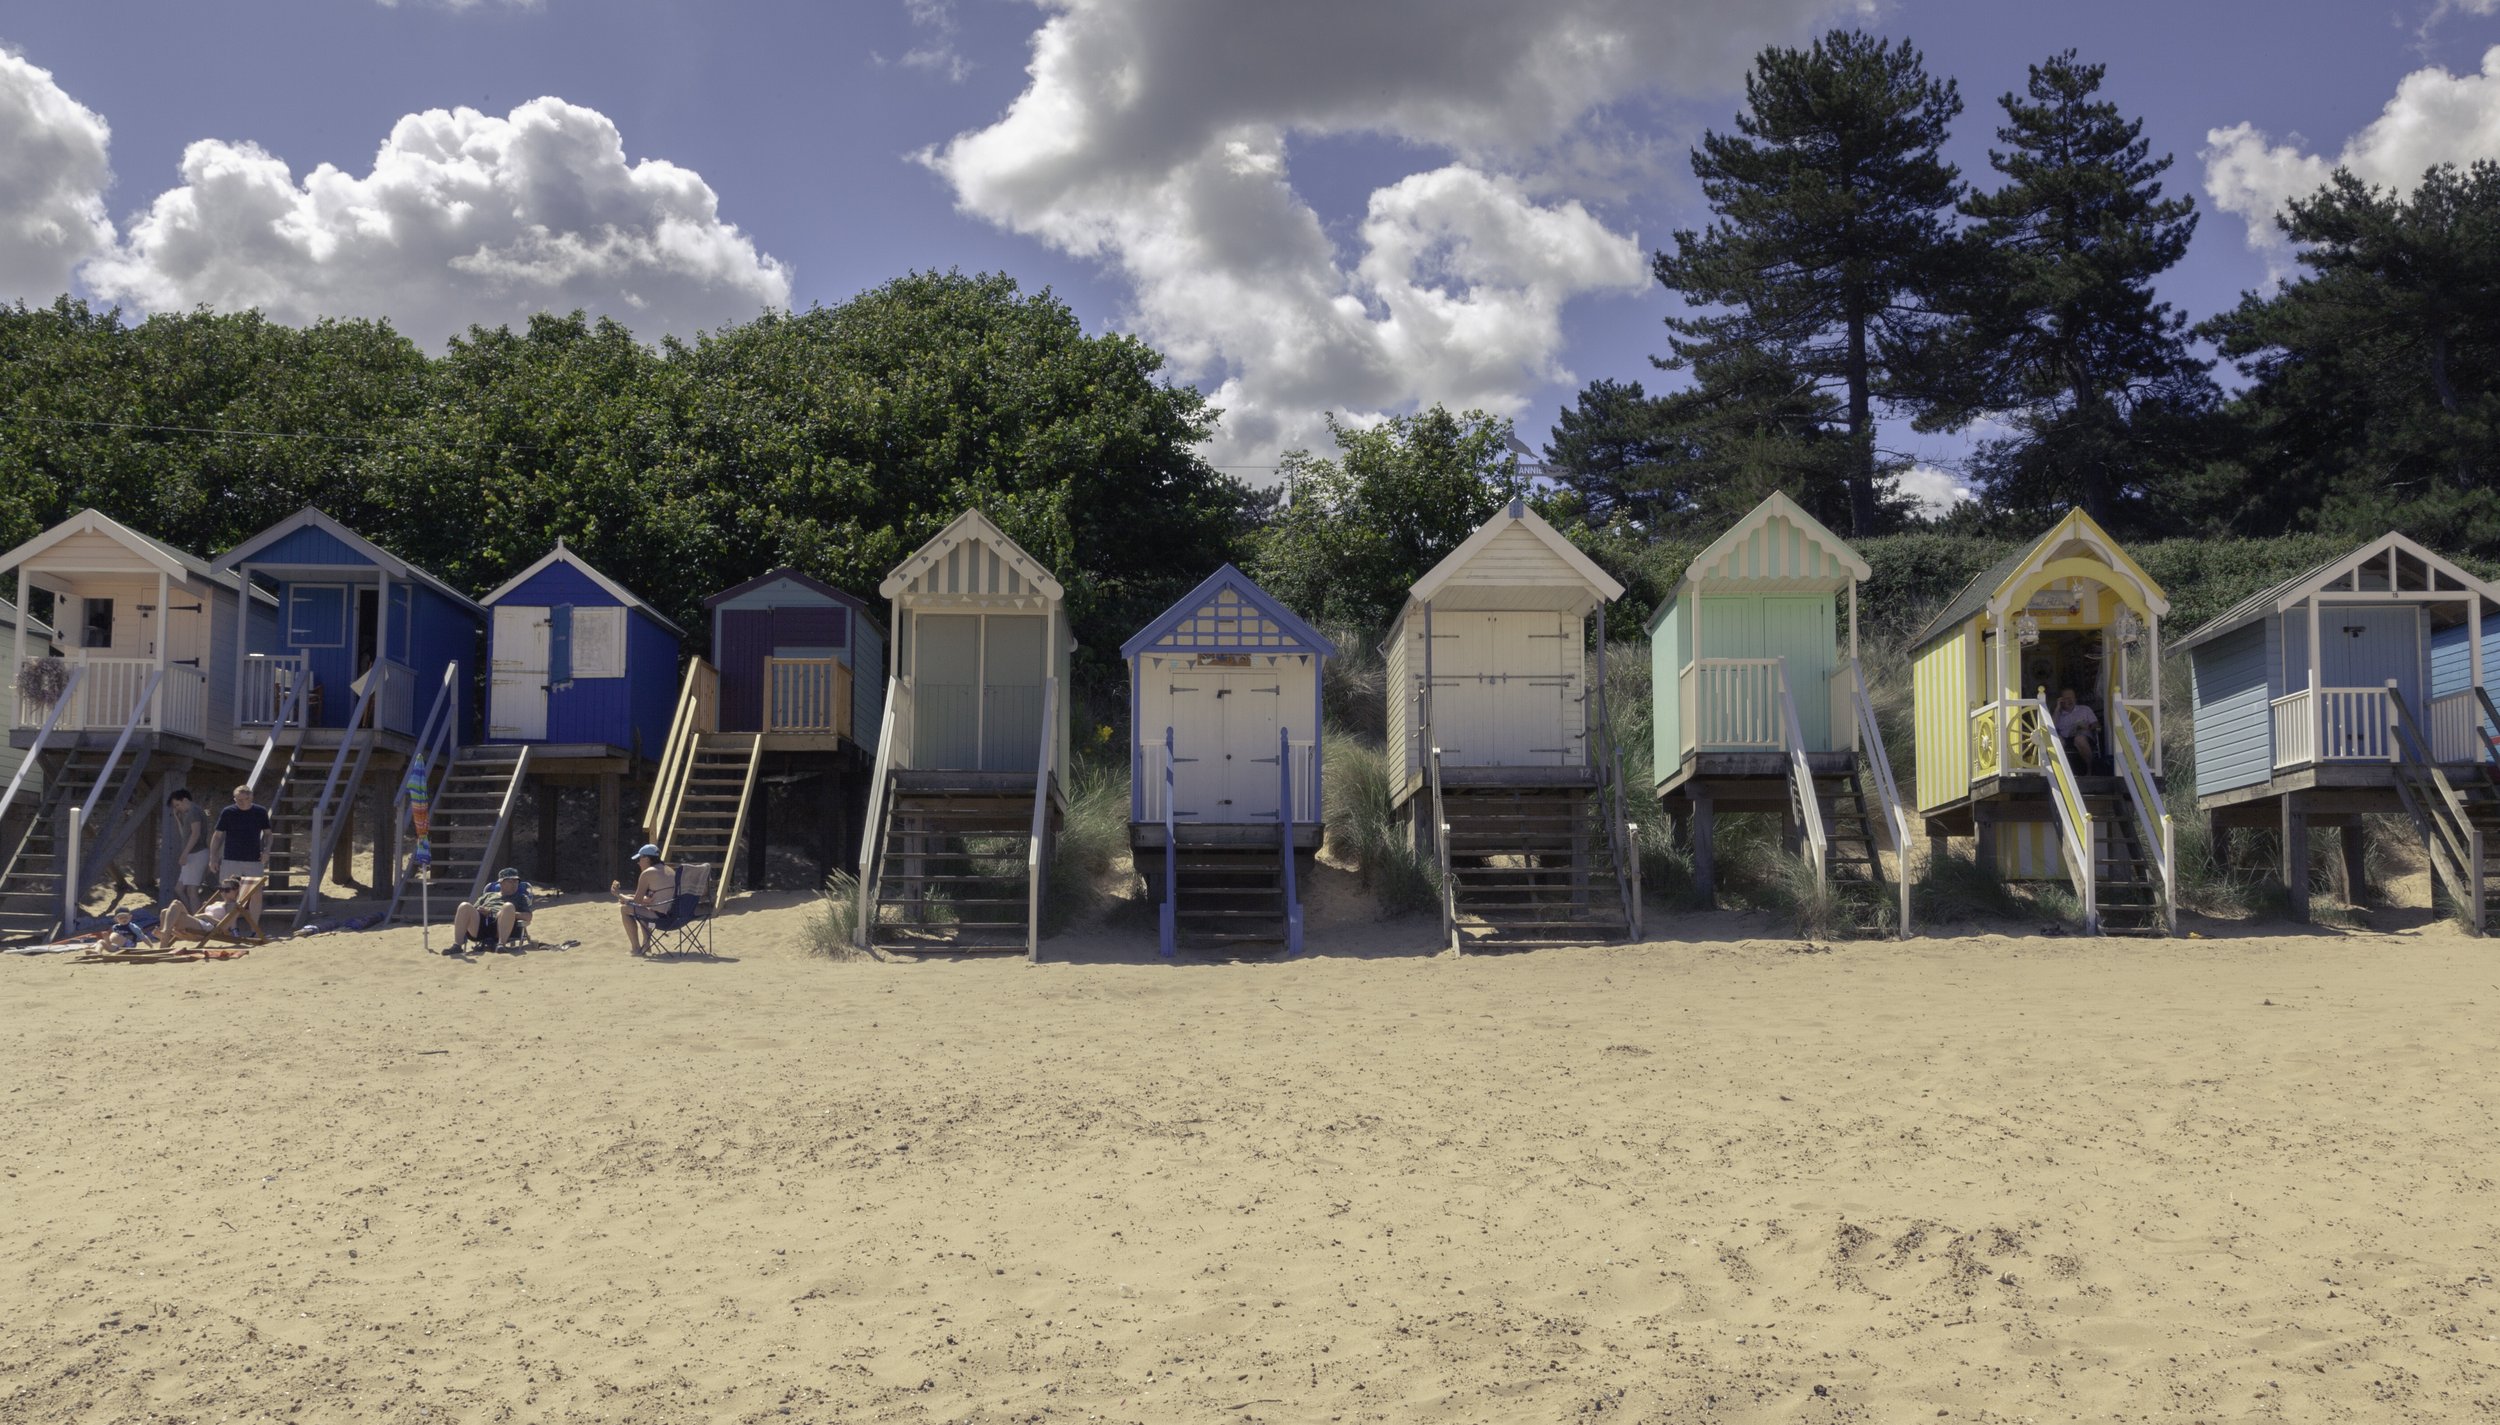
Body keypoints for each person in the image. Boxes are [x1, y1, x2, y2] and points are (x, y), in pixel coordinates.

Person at [451, 868, 534, 954]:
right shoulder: (488, 895)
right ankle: (457, 945)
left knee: (508, 906)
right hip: (481, 926)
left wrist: (509, 913)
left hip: (502, 928)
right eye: (510, 881)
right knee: (464, 906)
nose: (514, 884)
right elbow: (472, 910)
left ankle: (501, 945)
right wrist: (482, 911)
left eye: (516, 881)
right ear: (501, 883)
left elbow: (528, 916)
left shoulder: (520, 898)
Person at [614, 844, 678, 955]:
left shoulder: (647, 873)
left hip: (660, 919)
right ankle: (646, 946)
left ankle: (636, 948)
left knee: (625, 909)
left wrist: (618, 894)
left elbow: (637, 902)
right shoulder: (670, 870)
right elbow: (652, 898)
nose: (638, 862)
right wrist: (628, 897)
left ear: (647, 859)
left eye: (640, 859)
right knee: (644, 908)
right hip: (676, 917)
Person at [207, 783, 272, 889]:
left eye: (245, 799)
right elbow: (217, 836)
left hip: (254, 859)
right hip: (231, 858)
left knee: (255, 892)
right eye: (238, 800)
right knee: (227, 890)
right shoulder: (228, 812)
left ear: (251, 797)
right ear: (234, 799)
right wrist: (213, 857)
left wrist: (267, 850)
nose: (242, 802)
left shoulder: (260, 812)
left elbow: (268, 834)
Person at [164, 875, 265, 942]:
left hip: (206, 927)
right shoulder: (217, 902)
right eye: (221, 889)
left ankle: (165, 935)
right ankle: (165, 935)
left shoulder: (232, 906)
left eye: (227, 890)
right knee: (165, 912)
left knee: (176, 904)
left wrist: (205, 916)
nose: (223, 892)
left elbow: (223, 928)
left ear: (236, 891)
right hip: (197, 922)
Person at [166, 788, 209, 908]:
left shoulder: (194, 812)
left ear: (184, 800)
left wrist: (184, 854)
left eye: (178, 805)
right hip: (191, 854)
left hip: (197, 853)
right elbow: (184, 835)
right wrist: (177, 819)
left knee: (192, 891)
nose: (177, 808)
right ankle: (191, 913)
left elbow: (195, 834)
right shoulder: (187, 814)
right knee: (179, 889)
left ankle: (197, 921)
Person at [2053, 688, 2101, 770]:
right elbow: (2051, 727)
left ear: (2075, 699)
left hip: (2083, 736)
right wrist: (2057, 708)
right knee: (2057, 741)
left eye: (2072, 697)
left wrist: (2087, 727)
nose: (2070, 700)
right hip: (2066, 738)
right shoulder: (2058, 713)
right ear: (2061, 700)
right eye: (2066, 698)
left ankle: (2090, 770)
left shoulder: (2085, 709)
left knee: (2079, 739)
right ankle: (2059, 771)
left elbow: (2097, 725)